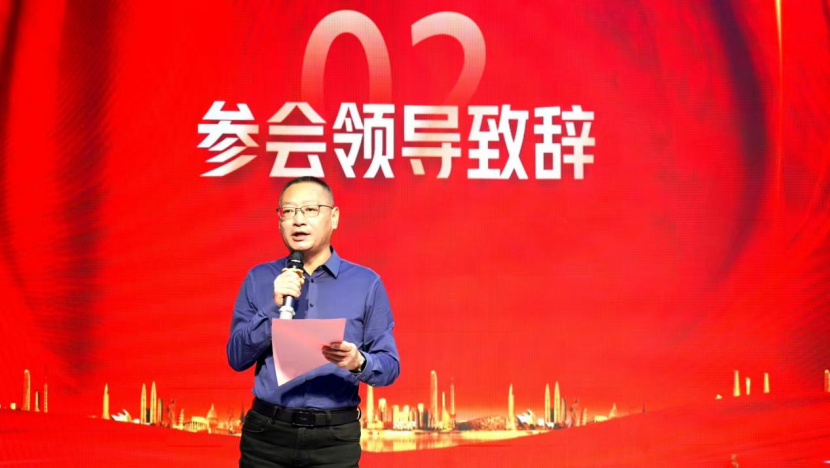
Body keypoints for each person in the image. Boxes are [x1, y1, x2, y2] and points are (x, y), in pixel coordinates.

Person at [227, 176, 400, 467]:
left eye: (310, 210)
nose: (298, 220)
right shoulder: (259, 278)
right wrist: (272, 308)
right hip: (267, 436)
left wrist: (358, 362)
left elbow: (389, 366)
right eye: (289, 211)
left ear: (334, 217)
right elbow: (236, 357)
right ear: (279, 221)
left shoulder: (366, 283)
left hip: (334, 439)